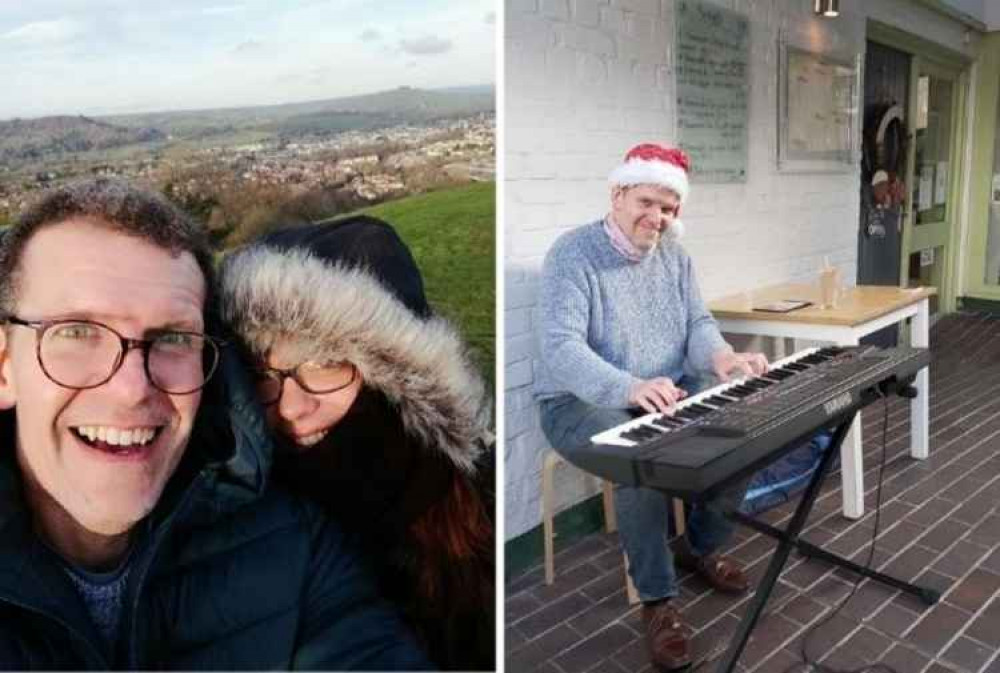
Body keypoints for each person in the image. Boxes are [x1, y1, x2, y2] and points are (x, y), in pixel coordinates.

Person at [0, 179, 430, 669]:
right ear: (4, 367)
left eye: (172, 338)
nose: (131, 387)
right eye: (77, 331)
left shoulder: (296, 549)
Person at [218, 215, 495, 671]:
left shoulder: (474, 505)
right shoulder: (242, 521)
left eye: (325, 363)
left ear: (396, 383)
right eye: (262, 374)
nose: (290, 406)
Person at [535, 143, 769, 671]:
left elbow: (697, 327)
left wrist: (724, 357)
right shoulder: (572, 254)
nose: (657, 217)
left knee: (744, 431)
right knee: (639, 465)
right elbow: (562, 349)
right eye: (646, 202)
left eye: (668, 208)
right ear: (617, 194)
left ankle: (699, 546)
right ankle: (658, 599)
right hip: (578, 401)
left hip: (666, 390)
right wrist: (630, 387)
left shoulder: (675, 258)